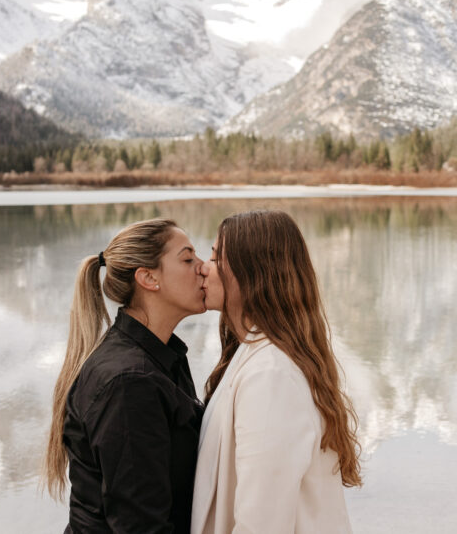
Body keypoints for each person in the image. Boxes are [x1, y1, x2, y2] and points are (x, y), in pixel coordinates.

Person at [191, 210, 361, 534]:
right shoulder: (258, 357)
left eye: (215, 258)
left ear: (251, 273)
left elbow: (261, 524)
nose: (203, 268)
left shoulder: (270, 376)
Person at [43, 218, 207, 534]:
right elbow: (141, 527)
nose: (203, 268)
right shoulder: (131, 383)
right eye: (188, 259)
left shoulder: (161, 358)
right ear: (148, 278)